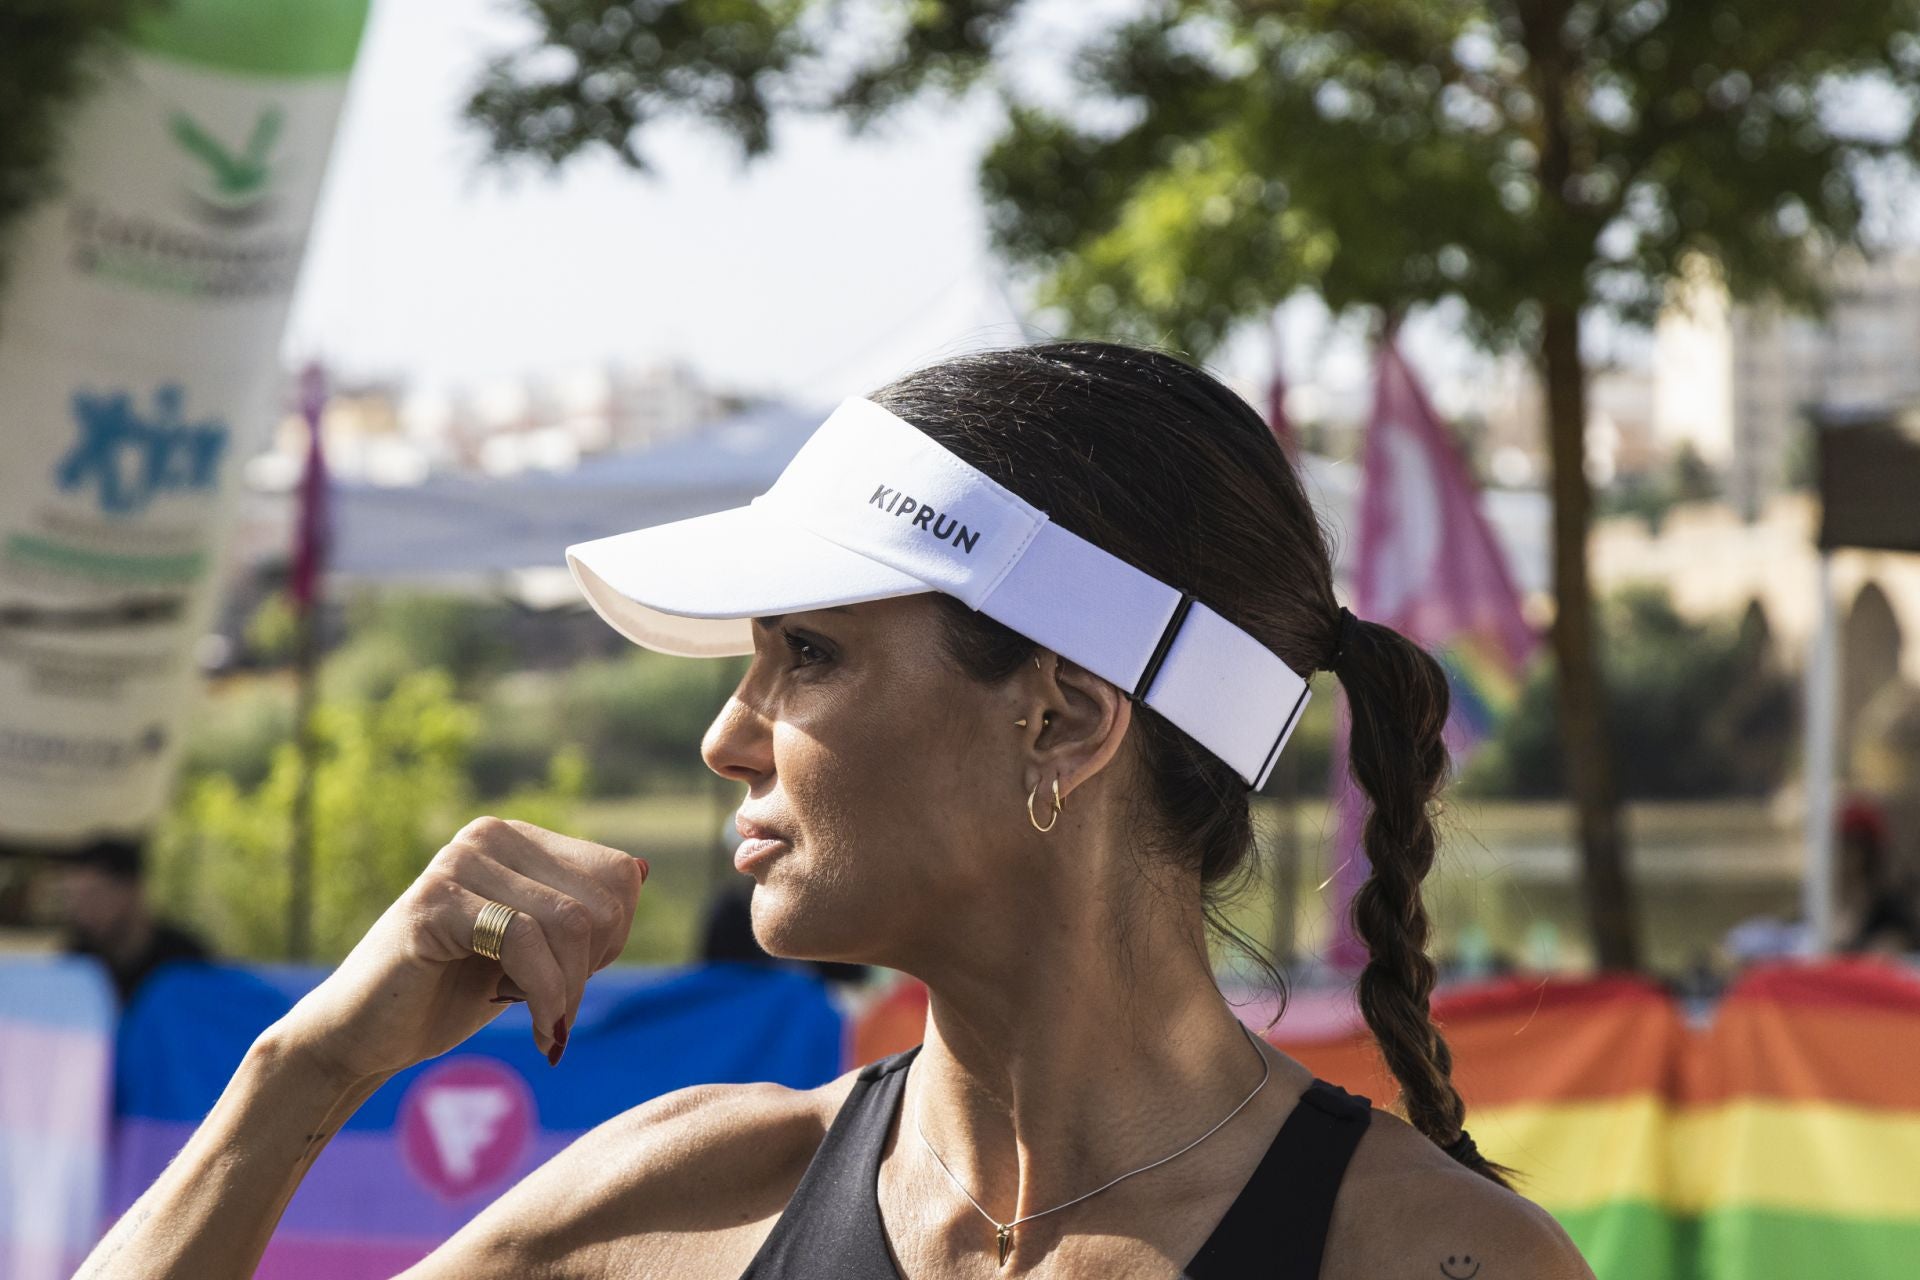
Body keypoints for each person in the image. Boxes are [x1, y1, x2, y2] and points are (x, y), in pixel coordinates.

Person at [78, 343, 1593, 1278]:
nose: (726, 738)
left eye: (806, 654)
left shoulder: (1426, 1256)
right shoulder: (677, 1203)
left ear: (1063, 719)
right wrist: (305, 1068)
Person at [47, 834, 210, 1004]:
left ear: (133, 890)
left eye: (94, 895)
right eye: (73, 900)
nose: (82, 911)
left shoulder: (185, 960)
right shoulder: (76, 963)